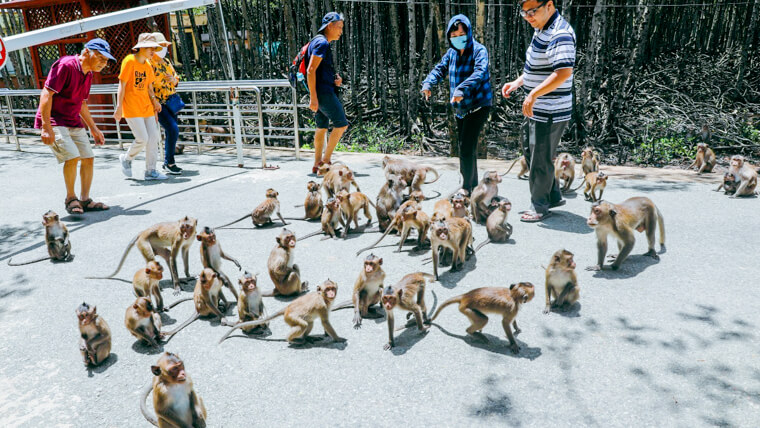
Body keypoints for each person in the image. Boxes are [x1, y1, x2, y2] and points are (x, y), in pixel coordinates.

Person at [502, 0, 576, 222]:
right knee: (530, 151)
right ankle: (552, 195)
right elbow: (540, 67)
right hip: (538, 107)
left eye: (532, 11)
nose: (528, 17)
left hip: (550, 108)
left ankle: (539, 205)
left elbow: (562, 73)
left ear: (550, 5)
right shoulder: (541, 29)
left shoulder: (559, 33)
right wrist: (518, 82)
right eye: (524, 12)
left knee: (539, 158)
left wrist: (533, 94)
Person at [35, 38, 115, 214]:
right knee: (72, 157)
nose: (104, 63)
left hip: (73, 119)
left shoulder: (89, 73)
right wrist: (46, 127)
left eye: (106, 60)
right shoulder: (66, 65)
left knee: (88, 157)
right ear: (86, 52)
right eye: (101, 58)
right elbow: (46, 94)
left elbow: (82, 103)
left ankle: (85, 200)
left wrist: (94, 128)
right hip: (54, 118)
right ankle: (71, 199)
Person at [421, 14, 492, 193]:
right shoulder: (452, 53)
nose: (457, 39)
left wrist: (461, 89)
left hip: (478, 105)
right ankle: (473, 185)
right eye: (453, 37)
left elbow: (480, 72)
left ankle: (466, 188)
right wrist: (428, 83)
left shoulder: (478, 50)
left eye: (461, 35)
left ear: (468, 33)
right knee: (465, 147)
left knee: (466, 147)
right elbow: (440, 68)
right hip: (461, 109)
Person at [114, 33, 166, 181]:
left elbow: (150, 89)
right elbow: (121, 85)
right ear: (141, 48)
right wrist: (118, 107)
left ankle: (150, 171)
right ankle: (127, 158)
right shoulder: (129, 61)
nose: (153, 51)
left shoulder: (148, 65)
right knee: (142, 138)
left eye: (154, 48)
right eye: (150, 48)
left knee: (153, 138)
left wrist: (155, 103)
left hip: (146, 107)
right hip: (131, 107)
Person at [306, 12, 348, 174]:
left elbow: (318, 71)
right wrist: (313, 97)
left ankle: (317, 163)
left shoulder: (317, 41)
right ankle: (325, 161)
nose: (340, 31)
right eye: (339, 27)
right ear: (329, 26)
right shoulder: (322, 43)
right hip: (323, 93)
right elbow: (311, 70)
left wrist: (334, 79)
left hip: (322, 89)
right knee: (341, 124)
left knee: (322, 127)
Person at [148, 32, 183, 175]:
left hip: (171, 100)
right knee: (173, 129)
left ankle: (169, 161)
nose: (163, 49)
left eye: (164, 46)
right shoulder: (149, 64)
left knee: (172, 130)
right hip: (159, 102)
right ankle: (169, 161)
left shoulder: (167, 62)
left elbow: (176, 77)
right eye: (161, 46)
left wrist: (174, 80)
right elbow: (148, 84)